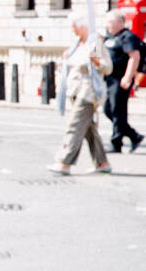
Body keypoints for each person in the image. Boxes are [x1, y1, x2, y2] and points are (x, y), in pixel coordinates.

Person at [49, 13, 112, 175]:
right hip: (75, 89)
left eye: (74, 27)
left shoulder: (95, 43)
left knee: (74, 125)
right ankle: (102, 162)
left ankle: (64, 163)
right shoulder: (77, 44)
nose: (73, 30)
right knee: (89, 128)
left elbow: (106, 67)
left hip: (89, 91)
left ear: (83, 27)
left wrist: (96, 61)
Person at [102, 10, 143, 153]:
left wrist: (128, 76)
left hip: (120, 79)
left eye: (110, 22)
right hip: (109, 78)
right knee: (108, 109)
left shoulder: (127, 37)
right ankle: (133, 135)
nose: (107, 25)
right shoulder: (109, 37)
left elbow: (134, 57)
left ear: (120, 22)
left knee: (117, 110)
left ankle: (116, 142)